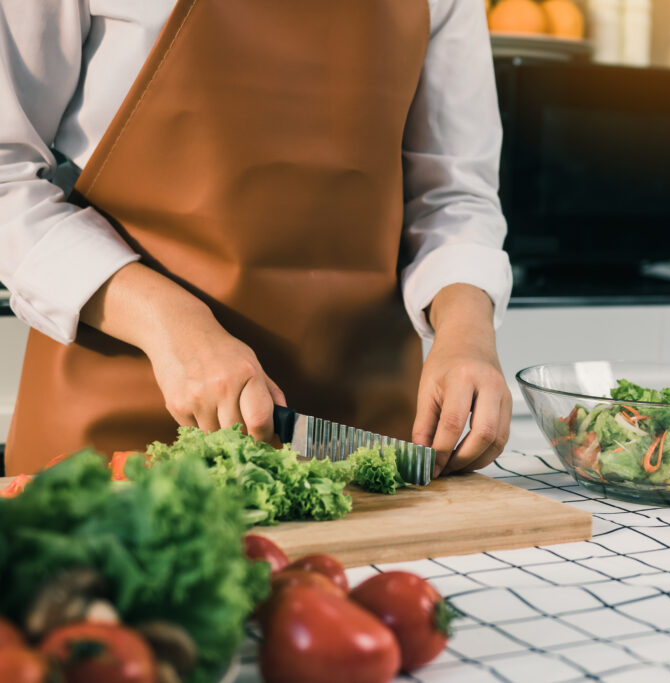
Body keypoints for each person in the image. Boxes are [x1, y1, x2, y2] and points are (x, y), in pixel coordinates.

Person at [0, 0, 514, 476]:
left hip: (356, 435)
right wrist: (167, 324)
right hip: (115, 426)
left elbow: (453, 193)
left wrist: (467, 330)